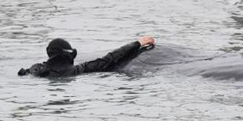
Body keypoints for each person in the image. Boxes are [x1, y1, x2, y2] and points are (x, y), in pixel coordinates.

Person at [18, 36, 155, 77]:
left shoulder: (35, 69)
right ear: (68, 54)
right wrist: (137, 43)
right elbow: (109, 59)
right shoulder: (79, 69)